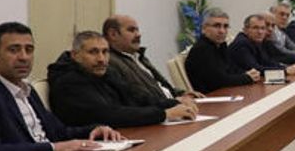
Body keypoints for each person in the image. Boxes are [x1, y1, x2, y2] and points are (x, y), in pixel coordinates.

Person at [0, 22, 122, 151]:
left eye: (29, 50)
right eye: (14, 50)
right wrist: (53, 148)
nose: (24, 57)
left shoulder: (28, 90)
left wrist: (94, 130)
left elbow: (59, 133)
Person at [48, 31, 196, 127]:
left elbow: (137, 97)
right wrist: (164, 114)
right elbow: (109, 115)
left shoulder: (105, 73)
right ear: (75, 55)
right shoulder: (68, 82)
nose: (101, 59)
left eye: (105, 52)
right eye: (93, 52)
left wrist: (175, 103)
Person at [103, 14, 202, 105]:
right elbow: (136, 98)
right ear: (113, 34)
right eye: (131, 30)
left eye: (137, 30)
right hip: (162, 112)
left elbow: (161, 85)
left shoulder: (139, 56)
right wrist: (174, 102)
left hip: (172, 106)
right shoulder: (110, 62)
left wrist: (182, 93)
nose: (138, 34)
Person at [185, 8, 261, 93]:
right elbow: (219, 81)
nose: (222, 31)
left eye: (225, 26)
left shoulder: (220, 45)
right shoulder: (201, 49)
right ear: (204, 28)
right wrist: (247, 77)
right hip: (211, 97)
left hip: (225, 93)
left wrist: (249, 73)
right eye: (216, 26)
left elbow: (232, 70)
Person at [230, 14, 295, 77]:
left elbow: (268, 62)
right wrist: (285, 71)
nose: (260, 32)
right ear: (245, 30)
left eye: (262, 28)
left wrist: (287, 68)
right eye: (255, 28)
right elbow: (256, 69)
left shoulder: (257, 41)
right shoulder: (242, 44)